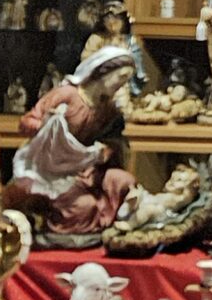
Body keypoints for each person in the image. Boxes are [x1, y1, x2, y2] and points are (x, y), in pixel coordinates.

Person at [7, 46, 138, 235]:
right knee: (84, 206)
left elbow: (115, 139)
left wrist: (106, 151)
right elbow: (27, 122)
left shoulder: (106, 109)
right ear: (104, 72)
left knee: (125, 181)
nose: (122, 86)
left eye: (126, 81)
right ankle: (53, 225)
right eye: (121, 78)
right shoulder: (67, 95)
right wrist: (46, 123)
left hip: (88, 167)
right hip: (55, 168)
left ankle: (110, 226)